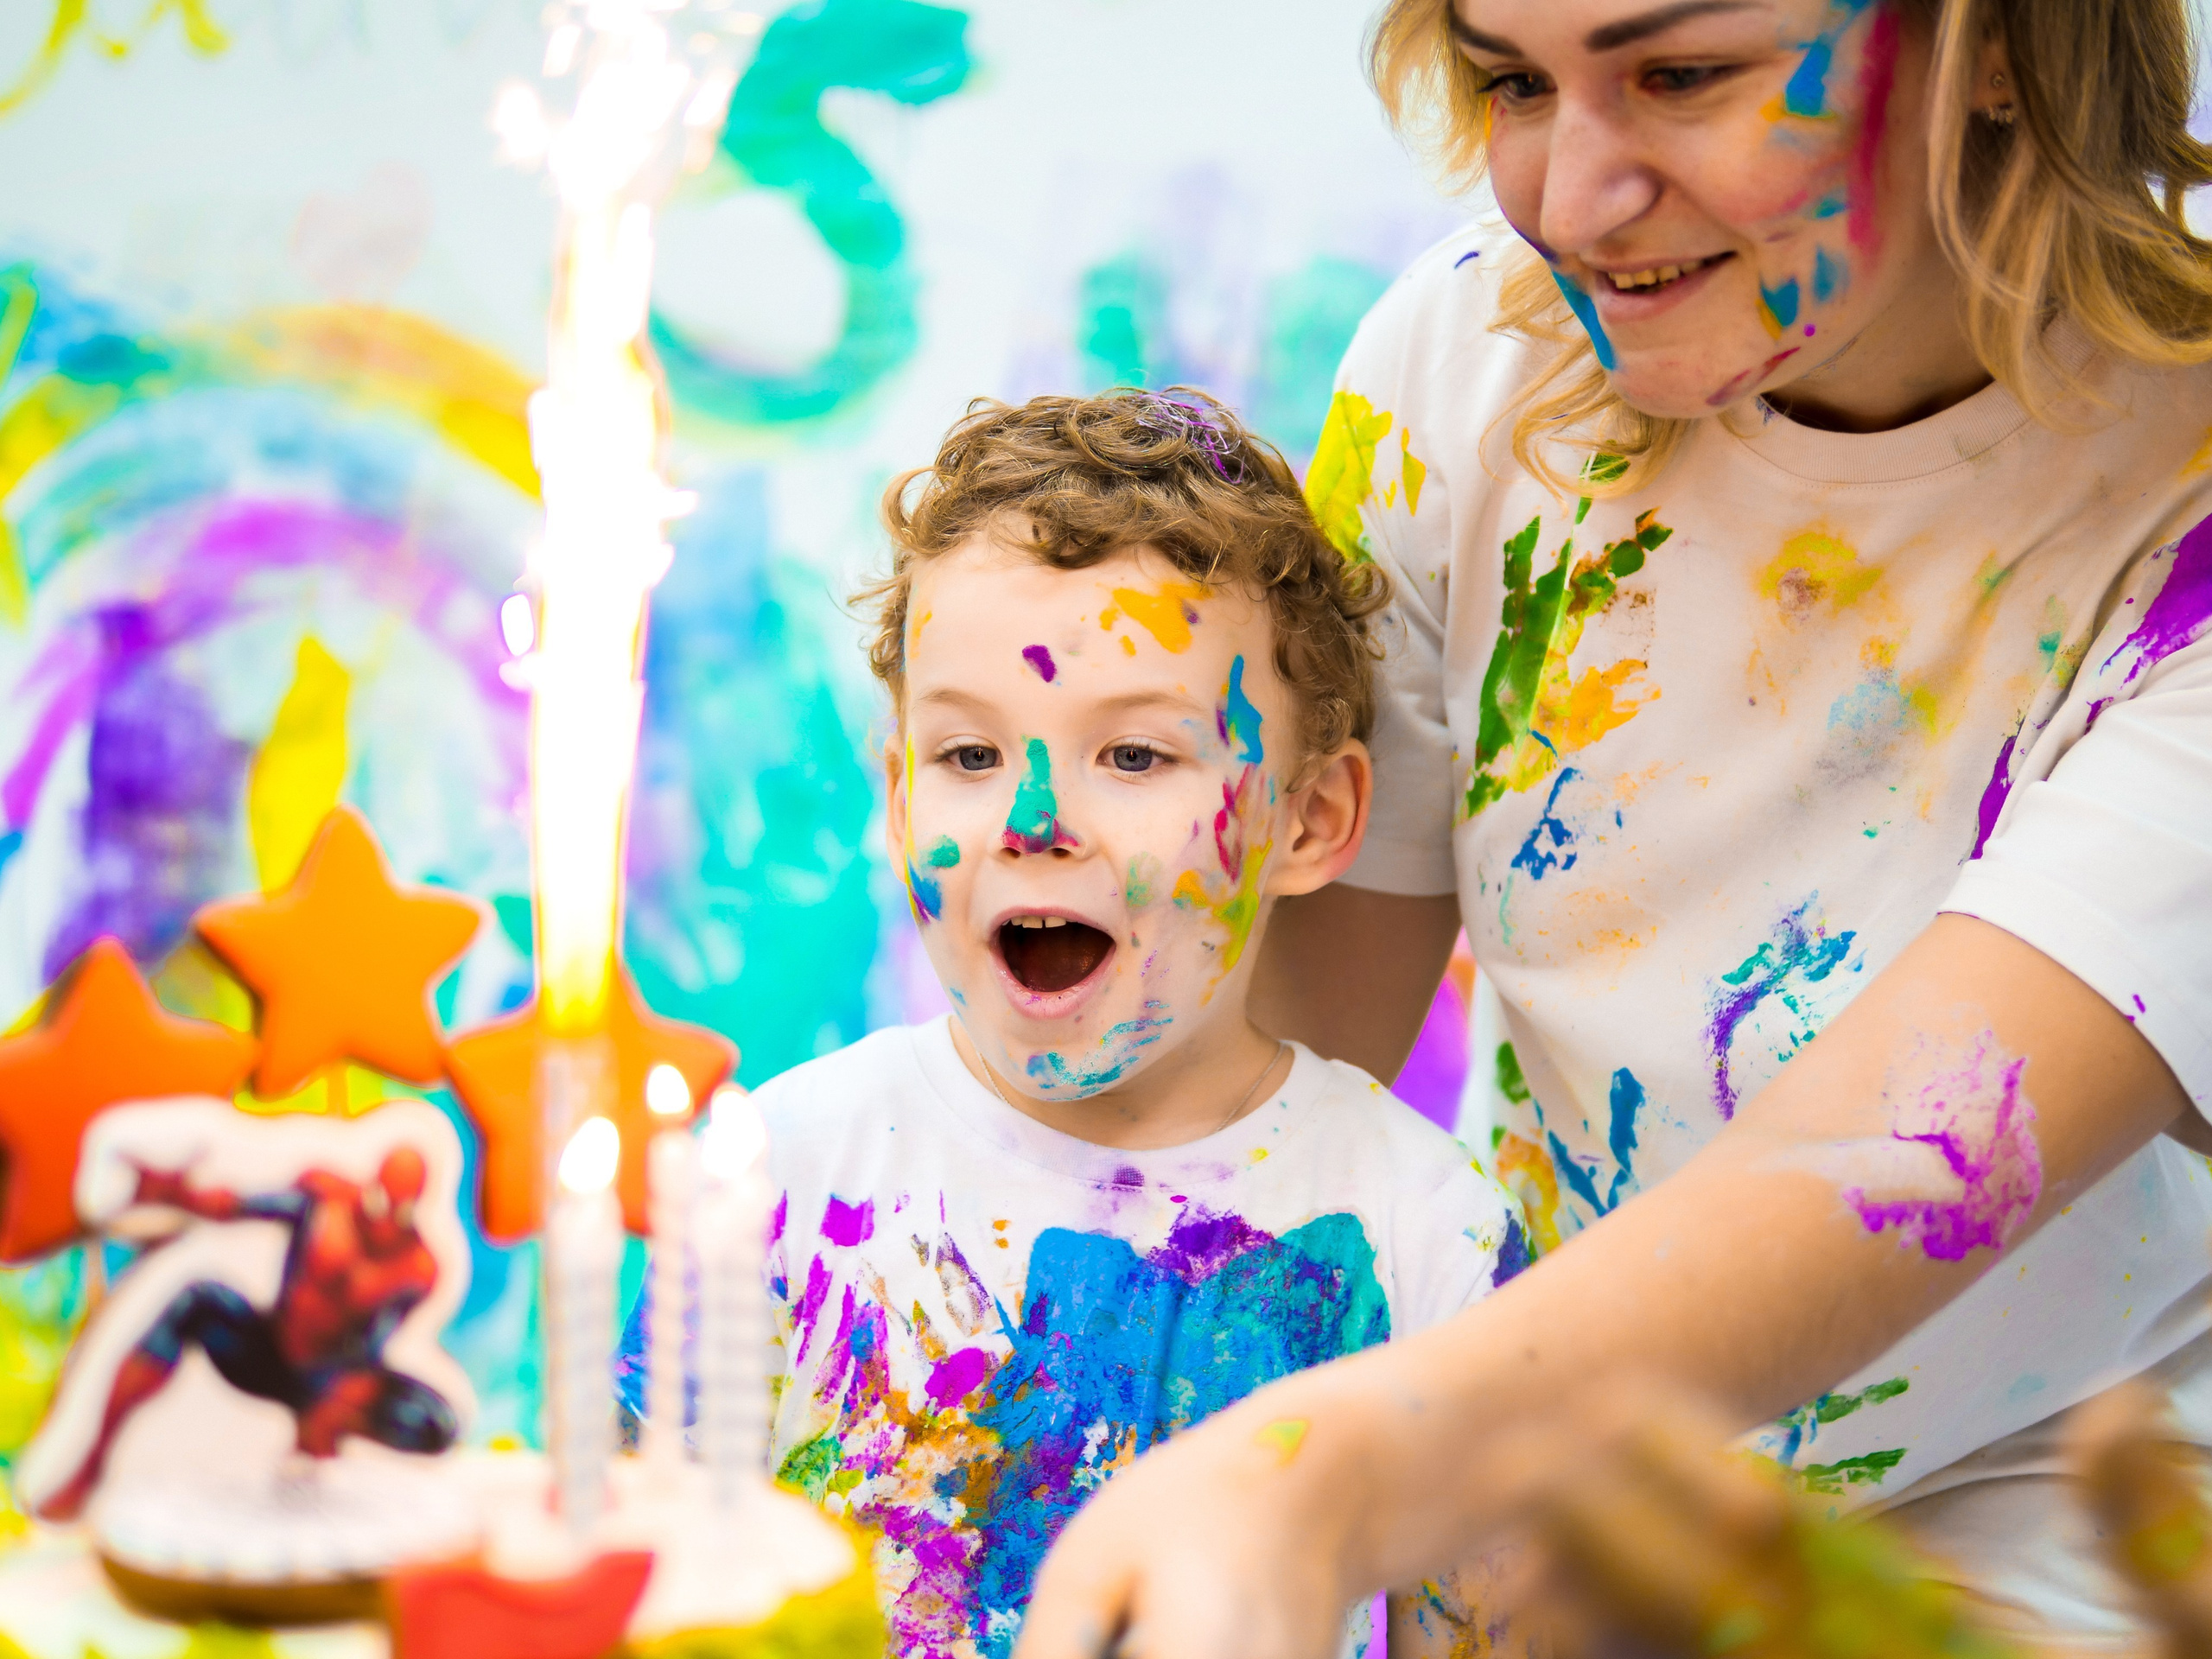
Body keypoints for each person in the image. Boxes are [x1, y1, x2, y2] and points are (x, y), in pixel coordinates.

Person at [1012, 1, 2212, 1655]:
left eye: (1682, 76)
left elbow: (1894, 1155)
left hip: (2043, 1515)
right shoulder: (1473, 367)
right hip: (1518, 1441)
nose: (1571, 202)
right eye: (1515, 81)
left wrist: (1324, 1472)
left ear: (1997, 40)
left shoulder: (2184, 507)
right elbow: (1281, 1083)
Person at [750, 389, 1529, 1659]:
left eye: (1135, 758)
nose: (1034, 816)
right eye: (967, 755)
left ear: (1312, 820)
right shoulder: (781, 1171)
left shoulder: (1421, 1232)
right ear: (898, 794)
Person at [38, 1147, 456, 1519]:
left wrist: (345, 1403)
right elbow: (234, 1206)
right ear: (370, 1189)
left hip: (333, 1381)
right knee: (197, 1300)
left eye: (397, 1212)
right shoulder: (322, 1206)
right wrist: (175, 1193)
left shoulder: (419, 1270)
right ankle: (89, 1467)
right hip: (268, 1353)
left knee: (432, 1421)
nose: (382, 1224)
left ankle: (319, 1476)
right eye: (379, 1203)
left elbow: (377, 1347)